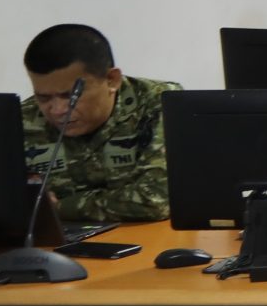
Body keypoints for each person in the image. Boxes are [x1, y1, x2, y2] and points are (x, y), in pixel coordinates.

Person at [20, 24, 178, 227]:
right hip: (59, 240)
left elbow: (156, 199)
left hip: (145, 236)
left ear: (112, 80)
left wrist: (58, 208)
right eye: (43, 98)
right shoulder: (23, 119)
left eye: (70, 96)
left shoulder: (161, 102)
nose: (57, 110)